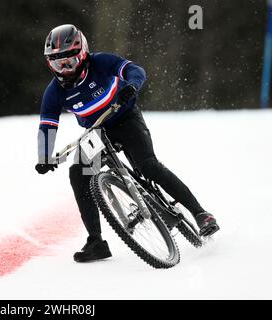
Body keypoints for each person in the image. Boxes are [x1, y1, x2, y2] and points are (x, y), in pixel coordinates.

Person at [35, 24, 220, 263]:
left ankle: (200, 214)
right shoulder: (54, 91)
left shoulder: (101, 62)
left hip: (126, 119)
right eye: (57, 63)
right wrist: (44, 156)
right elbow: (47, 125)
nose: (64, 68)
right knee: (79, 173)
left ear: (82, 54)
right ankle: (96, 242)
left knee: (148, 166)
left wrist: (131, 86)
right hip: (97, 132)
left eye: (69, 61)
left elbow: (136, 70)